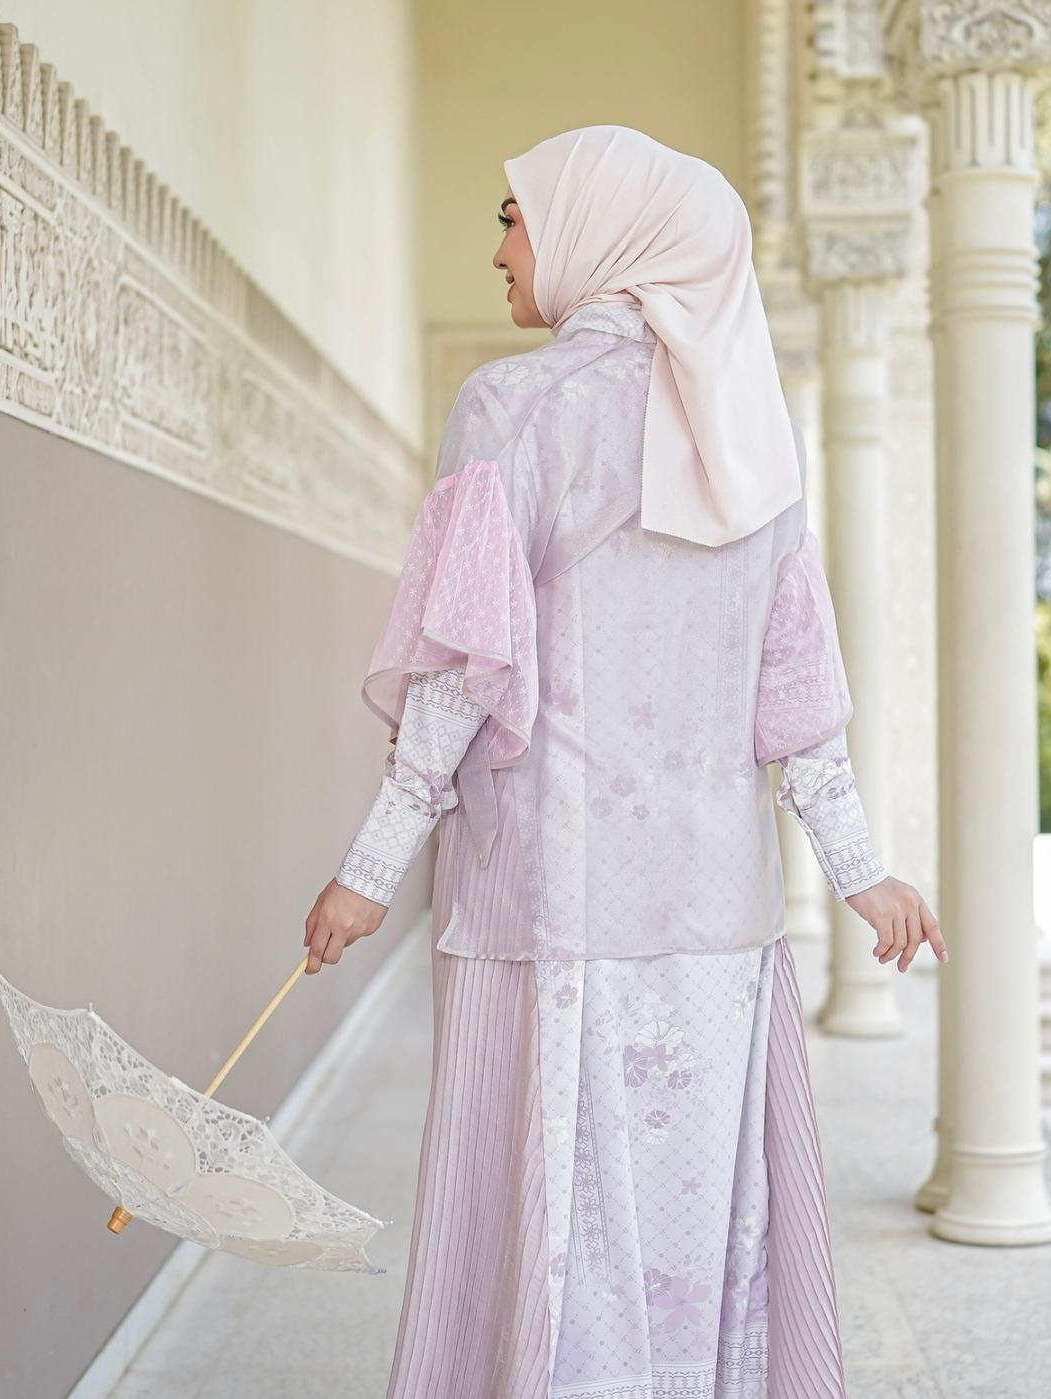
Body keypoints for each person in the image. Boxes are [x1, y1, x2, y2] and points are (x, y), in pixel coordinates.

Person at [304, 125, 946, 1399]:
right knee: (697, 1243)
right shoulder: (754, 437)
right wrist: (862, 872)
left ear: (603, 231)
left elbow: (456, 676)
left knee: (553, 1233)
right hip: (718, 923)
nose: (499, 248)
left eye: (515, 217)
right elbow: (797, 704)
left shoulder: (513, 407)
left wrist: (368, 871)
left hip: (551, 914)